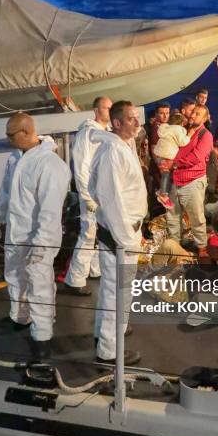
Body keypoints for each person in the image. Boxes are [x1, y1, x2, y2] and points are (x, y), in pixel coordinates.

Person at [0, 113, 71, 360]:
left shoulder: (50, 165)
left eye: (10, 134)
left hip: (38, 238)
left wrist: (42, 243)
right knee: (14, 275)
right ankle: (20, 316)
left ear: (25, 132)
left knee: (39, 284)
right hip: (16, 232)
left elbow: (50, 210)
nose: (7, 139)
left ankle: (42, 335)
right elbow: (6, 191)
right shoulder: (15, 159)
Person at [89, 100, 147, 365]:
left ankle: (107, 333)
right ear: (117, 123)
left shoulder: (122, 146)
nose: (138, 122)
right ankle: (109, 351)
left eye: (137, 118)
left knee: (112, 290)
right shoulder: (112, 152)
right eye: (132, 119)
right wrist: (127, 239)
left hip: (123, 233)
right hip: (119, 236)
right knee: (117, 291)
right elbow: (110, 199)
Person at [63, 96, 112, 296]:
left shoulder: (104, 133)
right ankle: (74, 279)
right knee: (88, 233)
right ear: (96, 110)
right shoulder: (87, 133)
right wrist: (86, 196)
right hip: (91, 193)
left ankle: (94, 269)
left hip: (102, 192)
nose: (110, 111)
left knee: (98, 232)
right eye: (107, 108)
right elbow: (82, 167)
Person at [166, 105, 213, 252]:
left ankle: (202, 249)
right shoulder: (184, 131)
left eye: (198, 114)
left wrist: (174, 163)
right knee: (172, 216)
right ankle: (175, 248)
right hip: (175, 180)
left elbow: (196, 157)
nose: (193, 116)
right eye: (193, 112)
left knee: (196, 217)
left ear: (204, 119)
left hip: (193, 181)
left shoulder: (206, 135)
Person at [152, 112, 190, 209]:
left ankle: (162, 191)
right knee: (166, 175)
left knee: (166, 175)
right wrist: (189, 136)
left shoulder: (165, 129)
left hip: (159, 154)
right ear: (181, 123)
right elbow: (183, 142)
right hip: (167, 155)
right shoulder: (177, 130)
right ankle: (163, 194)